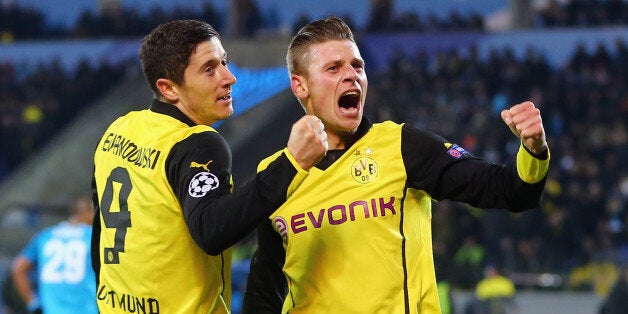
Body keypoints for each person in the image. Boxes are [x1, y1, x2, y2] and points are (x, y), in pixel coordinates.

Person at [242, 17, 550, 313]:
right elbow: (264, 289)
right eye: (333, 68)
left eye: (357, 66)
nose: (351, 75)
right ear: (300, 86)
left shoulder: (403, 146)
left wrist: (533, 149)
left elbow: (510, 191)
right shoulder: (277, 174)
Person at [90, 19, 327, 314]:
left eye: (224, 63)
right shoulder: (196, 142)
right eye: (209, 69)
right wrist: (292, 163)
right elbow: (212, 231)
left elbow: (99, 232)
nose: (229, 78)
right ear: (168, 88)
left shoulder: (120, 129)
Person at [11, 196, 97, 314]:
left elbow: (18, 268)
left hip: (51, 310)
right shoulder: (92, 235)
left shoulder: (45, 236)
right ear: (86, 212)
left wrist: (33, 304)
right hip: (86, 309)